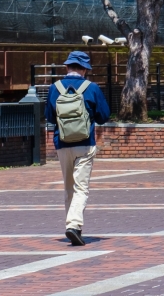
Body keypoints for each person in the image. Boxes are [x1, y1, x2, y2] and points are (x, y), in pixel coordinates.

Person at [47, 49, 111, 245]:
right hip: (85, 144)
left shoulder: (54, 87)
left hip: (62, 144)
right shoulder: (91, 88)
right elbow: (104, 116)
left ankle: (72, 226)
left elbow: (50, 117)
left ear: (67, 67)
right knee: (81, 187)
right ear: (85, 69)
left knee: (68, 188)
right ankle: (74, 226)